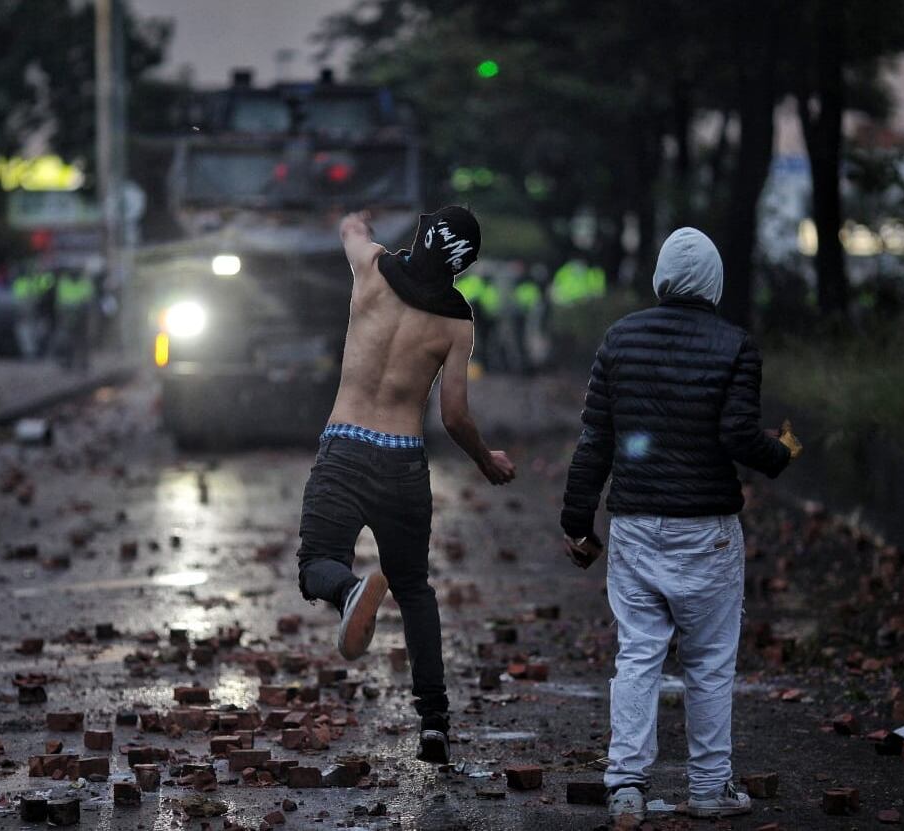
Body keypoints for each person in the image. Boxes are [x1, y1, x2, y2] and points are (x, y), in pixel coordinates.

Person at [559, 228, 801, 825]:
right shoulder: (735, 345)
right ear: (714, 281)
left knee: (638, 655)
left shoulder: (620, 338)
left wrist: (576, 521)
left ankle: (626, 787)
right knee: (709, 662)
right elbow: (738, 435)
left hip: (636, 525)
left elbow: (597, 440)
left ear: (661, 278)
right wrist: (782, 454)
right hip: (707, 530)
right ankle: (709, 789)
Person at [295, 206, 516, 765]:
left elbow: (348, 229)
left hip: (344, 445)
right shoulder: (456, 322)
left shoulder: (371, 269)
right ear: (462, 264)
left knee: (317, 562)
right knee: (415, 590)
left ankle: (348, 593)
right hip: (402, 462)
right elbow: (455, 416)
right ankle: (435, 722)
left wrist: (359, 218)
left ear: (421, 236)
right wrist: (484, 459)